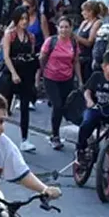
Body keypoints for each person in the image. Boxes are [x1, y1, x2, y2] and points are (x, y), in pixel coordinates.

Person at [0, 5, 39, 153]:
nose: (24, 22)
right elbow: (6, 56)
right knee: (2, 106)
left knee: (25, 107)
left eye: (26, 19)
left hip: (25, 73)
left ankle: (24, 139)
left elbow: (31, 55)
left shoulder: (30, 37)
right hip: (11, 72)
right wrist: (13, 73)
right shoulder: (10, 34)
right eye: (21, 19)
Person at [39, 14, 83, 150]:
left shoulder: (74, 44)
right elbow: (42, 57)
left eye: (67, 27)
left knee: (64, 106)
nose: (64, 30)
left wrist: (80, 80)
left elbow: (75, 62)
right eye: (61, 27)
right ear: (57, 28)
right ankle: (55, 136)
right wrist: (44, 71)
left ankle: (60, 130)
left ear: (71, 29)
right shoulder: (51, 42)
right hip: (51, 78)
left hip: (67, 79)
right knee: (57, 105)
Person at [75, 0, 103, 86]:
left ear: (90, 11)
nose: (82, 13)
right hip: (79, 56)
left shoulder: (97, 22)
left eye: (84, 11)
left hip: (89, 57)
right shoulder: (84, 22)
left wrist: (74, 36)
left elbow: (90, 42)